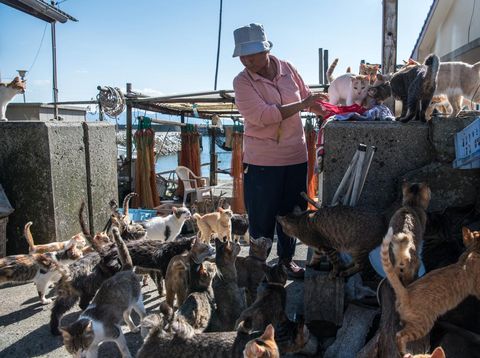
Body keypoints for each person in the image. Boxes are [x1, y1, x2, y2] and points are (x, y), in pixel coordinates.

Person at [232, 23, 327, 278]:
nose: (246, 61)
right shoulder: (241, 82)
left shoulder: (288, 69)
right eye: (242, 56)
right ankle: (258, 268)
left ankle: (286, 261)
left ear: (266, 50)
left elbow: (309, 100)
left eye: (251, 54)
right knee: (261, 217)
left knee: (293, 214)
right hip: (262, 161)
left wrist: (336, 114)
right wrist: (303, 104)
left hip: (295, 157)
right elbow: (264, 115)